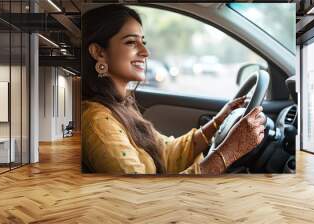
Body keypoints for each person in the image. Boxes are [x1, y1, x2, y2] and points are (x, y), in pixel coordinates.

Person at [81, 4, 266, 175]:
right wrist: (229, 152)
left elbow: (166, 153)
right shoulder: (98, 123)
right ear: (99, 52)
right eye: (131, 42)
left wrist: (218, 121)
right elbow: (143, 198)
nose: (145, 52)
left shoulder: (120, 105)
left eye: (142, 41)